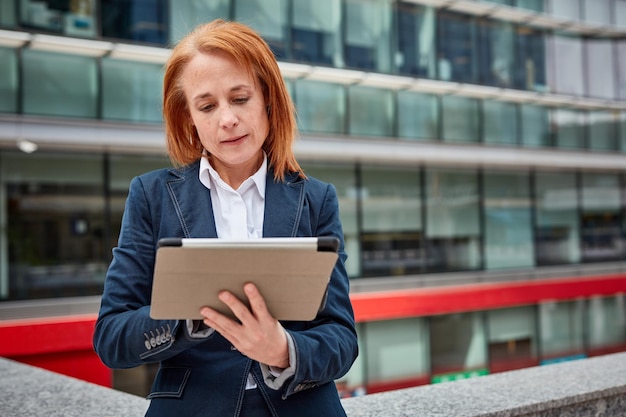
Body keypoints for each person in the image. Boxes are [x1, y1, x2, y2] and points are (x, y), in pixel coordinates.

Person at [92, 19, 358, 417]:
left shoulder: (315, 199)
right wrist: (188, 317)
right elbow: (112, 338)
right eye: (207, 105)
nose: (227, 119)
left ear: (268, 101)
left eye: (240, 98)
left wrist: (283, 350)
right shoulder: (151, 196)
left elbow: (341, 338)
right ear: (189, 118)